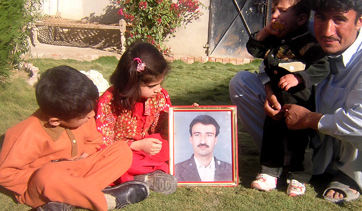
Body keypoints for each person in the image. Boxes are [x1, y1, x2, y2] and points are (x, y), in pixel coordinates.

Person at [282, 0, 362, 202]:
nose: (327, 31)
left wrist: (309, 119)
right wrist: (270, 89)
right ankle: (288, 158)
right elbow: (271, 57)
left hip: (347, 141)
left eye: (340, 20)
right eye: (321, 17)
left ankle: (351, 175)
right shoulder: (308, 31)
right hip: (311, 128)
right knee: (243, 84)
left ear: (360, 20)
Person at [0, 65, 149, 211]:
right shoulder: (25, 134)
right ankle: (106, 200)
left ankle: (70, 199)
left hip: (78, 169)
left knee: (122, 150)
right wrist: (41, 174)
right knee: (48, 175)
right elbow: (6, 174)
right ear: (55, 121)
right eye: (84, 116)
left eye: (91, 111)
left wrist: (86, 154)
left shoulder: (84, 115)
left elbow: (95, 141)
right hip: (47, 183)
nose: (91, 116)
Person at [240, 0, 330, 197]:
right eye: (273, 10)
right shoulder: (273, 39)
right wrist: (265, 32)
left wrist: (299, 78)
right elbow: (254, 50)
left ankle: (298, 178)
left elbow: (322, 66)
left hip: (300, 103)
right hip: (276, 101)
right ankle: (269, 174)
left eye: (281, 11)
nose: (274, 15)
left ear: (301, 18)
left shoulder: (306, 42)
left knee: (301, 142)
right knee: (272, 137)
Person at [96, 41, 177, 195]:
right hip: (125, 151)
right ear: (133, 83)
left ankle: (140, 177)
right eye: (153, 86)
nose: (158, 89)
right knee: (113, 159)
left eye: (160, 84)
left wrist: (186, 115)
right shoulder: (110, 100)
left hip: (150, 150)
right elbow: (103, 141)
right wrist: (136, 146)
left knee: (169, 147)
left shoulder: (160, 96)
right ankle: (149, 175)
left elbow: (166, 129)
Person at [175, 115, 232, 182]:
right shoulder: (176, 169)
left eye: (209, 135)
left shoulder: (230, 169)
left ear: (215, 140)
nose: (203, 141)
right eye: (197, 135)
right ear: (191, 139)